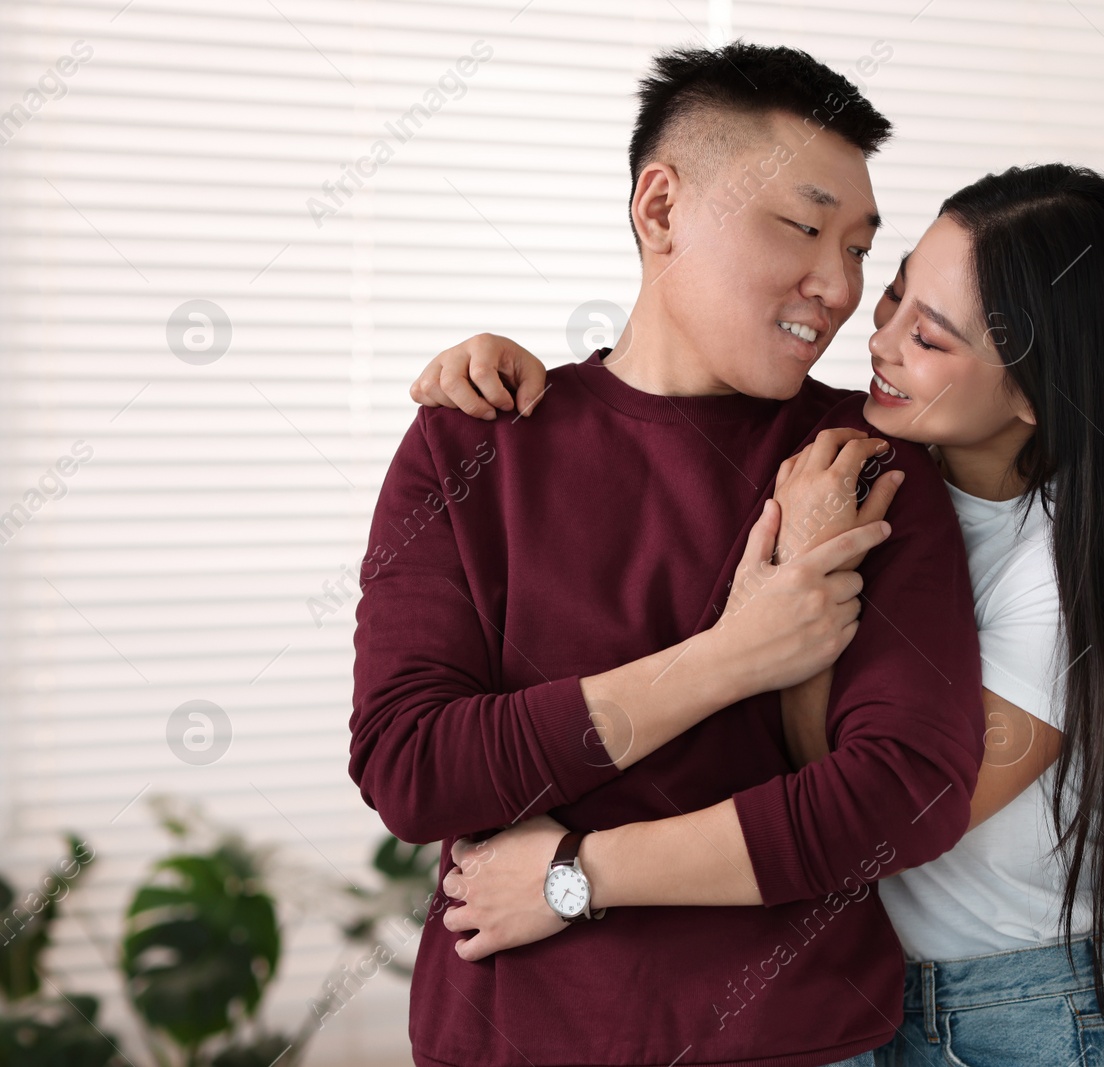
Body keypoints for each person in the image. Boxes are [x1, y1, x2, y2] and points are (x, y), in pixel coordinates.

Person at [415, 165, 1104, 1066]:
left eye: (931, 336)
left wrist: (572, 871)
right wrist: (521, 382)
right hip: (883, 986)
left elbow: (881, 811)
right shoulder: (876, 466)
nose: (875, 337)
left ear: (1037, 393)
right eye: (894, 292)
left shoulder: (1061, 583)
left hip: (1018, 1004)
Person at [350, 42, 988, 1067]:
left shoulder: (860, 467)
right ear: (660, 210)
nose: (836, 284)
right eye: (802, 225)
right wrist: (735, 656)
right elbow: (413, 768)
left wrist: (573, 868)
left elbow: (902, 795)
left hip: (793, 1043)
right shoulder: (473, 441)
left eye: (861, 248)